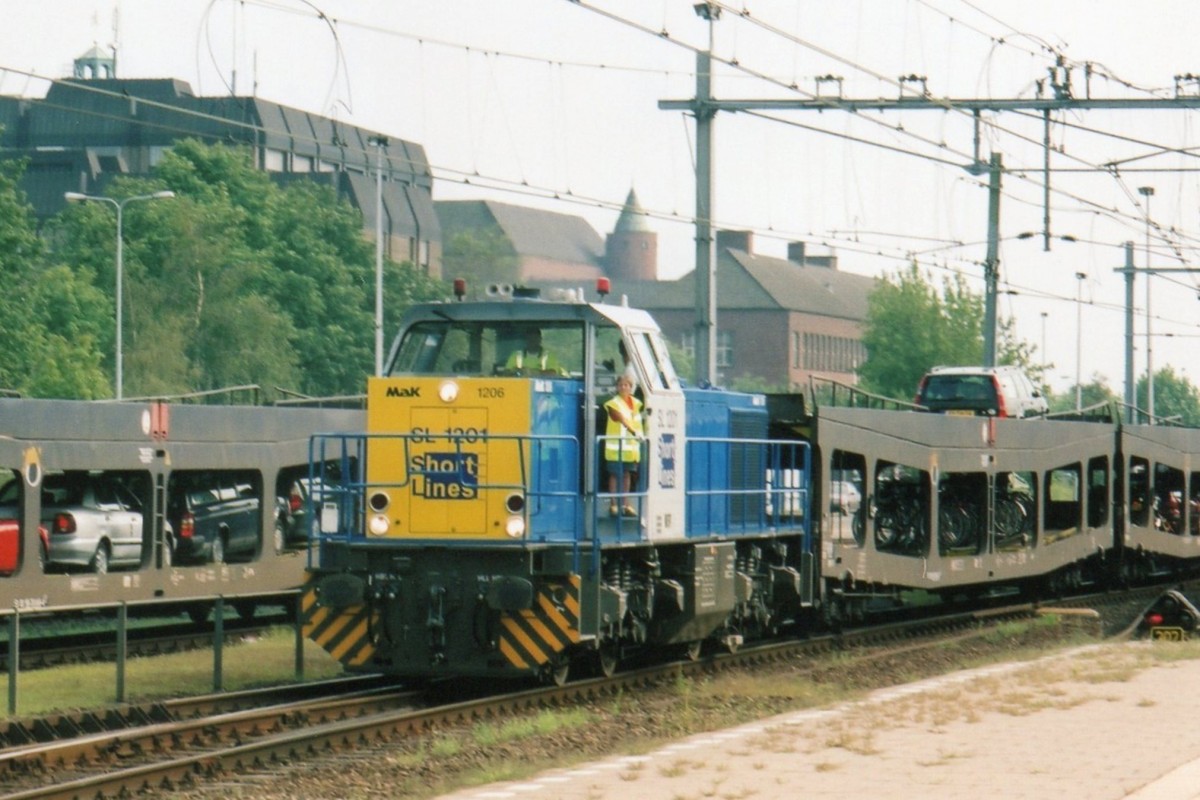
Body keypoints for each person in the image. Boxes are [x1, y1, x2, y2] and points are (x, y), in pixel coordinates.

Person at [604, 374, 644, 517]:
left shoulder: (636, 404)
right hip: (615, 448)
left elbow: (639, 423)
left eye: (626, 385)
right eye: (620, 385)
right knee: (615, 475)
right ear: (617, 387)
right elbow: (619, 418)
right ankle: (613, 504)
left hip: (630, 449)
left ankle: (625, 504)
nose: (623, 387)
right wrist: (634, 432)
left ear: (631, 387)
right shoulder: (613, 403)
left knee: (627, 475)